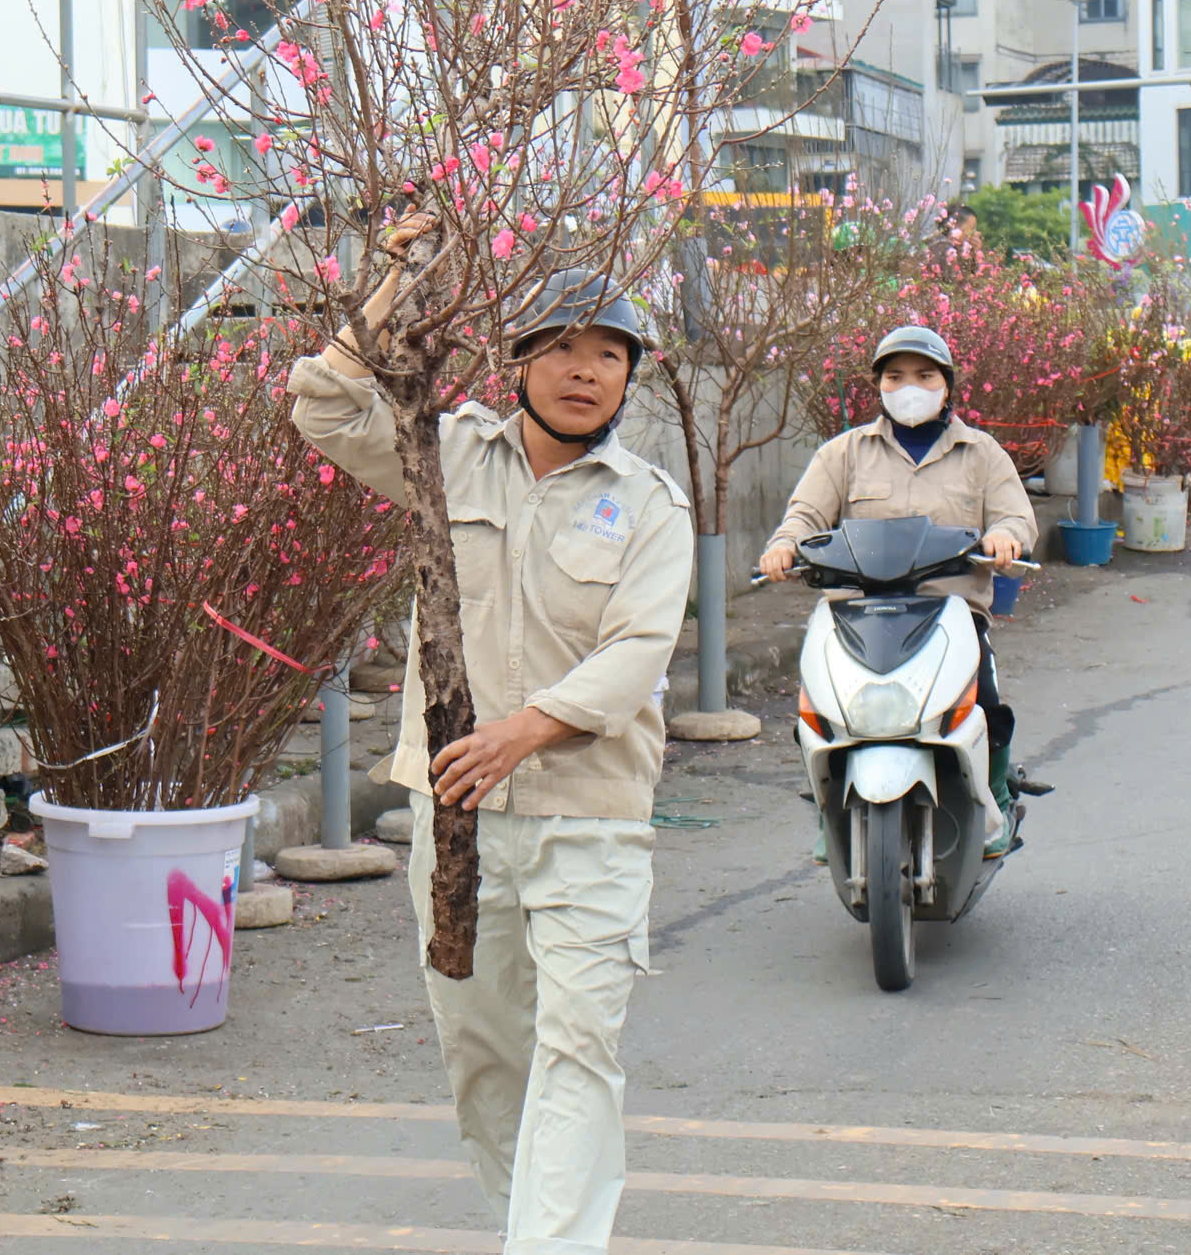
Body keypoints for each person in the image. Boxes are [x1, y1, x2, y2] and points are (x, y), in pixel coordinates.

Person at [290, 249, 693, 1255]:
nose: (584, 368)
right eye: (560, 346)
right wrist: (392, 277)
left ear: (628, 376)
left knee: (576, 1046)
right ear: (516, 360)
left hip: (589, 818)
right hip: (459, 820)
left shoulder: (650, 503)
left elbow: (636, 650)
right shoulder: (447, 452)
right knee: (481, 1051)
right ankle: (532, 1222)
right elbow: (326, 407)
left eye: (608, 352)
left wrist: (525, 728)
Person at [757, 325, 1038, 858]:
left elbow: (1015, 516)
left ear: (947, 385)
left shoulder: (982, 454)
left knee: (988, 701)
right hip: (856, 612)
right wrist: (784, 546)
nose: (910, 386)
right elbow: (805, 515)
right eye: (896, 376)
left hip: (950, 611)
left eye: (925, 375)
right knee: (818, 707)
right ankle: (829, 811)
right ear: (879, 386)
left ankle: (994, 796)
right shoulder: (843, 453)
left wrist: (1007, 536)